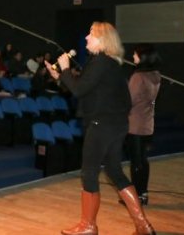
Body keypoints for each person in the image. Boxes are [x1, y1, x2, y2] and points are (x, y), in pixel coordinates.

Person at [46, 22, 154, 235]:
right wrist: (60, 77)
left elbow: (78, 91)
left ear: (102, 40)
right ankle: (143, 225)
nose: (86, 38)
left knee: (89, 173)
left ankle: (88, 226)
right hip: (116, 125)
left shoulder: (101, 62)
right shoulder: (110, 63)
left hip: (101, 124)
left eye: (90, 35)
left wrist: (66, 68)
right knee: (114, 171)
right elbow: (84, 89)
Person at [126, 44, 161, 205]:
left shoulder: (138, 77)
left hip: (135, 124)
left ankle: (137, 196)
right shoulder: (155, 75)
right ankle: (144, 193)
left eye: (135, 55)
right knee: (143, 160)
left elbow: (129, 100)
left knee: (136, 162)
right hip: (148, 123)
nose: (133, 57)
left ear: (142, 57)